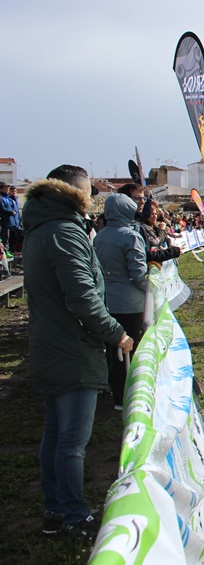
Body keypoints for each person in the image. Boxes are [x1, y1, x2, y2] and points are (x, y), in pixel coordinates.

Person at [23, 165, 134, 538]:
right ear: (74, 193)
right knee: (71, 441)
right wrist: (116, 333)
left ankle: (56, 510)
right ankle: (72, 515)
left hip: (52, 345)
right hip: (71, 349)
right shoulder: (65, 232)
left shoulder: (41, 228)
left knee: (55, 434)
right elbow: (83, 297)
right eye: (89, 193)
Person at [93, 193, 149, 409]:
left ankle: (115, 391)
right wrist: (153, 288)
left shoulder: (100, 235)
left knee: (112, 350)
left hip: (107, 300)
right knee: (129, 349)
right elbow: (138, 273)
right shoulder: (130, 236)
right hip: (129, 303)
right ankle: (127, 395)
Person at [1, 181, 21, 254]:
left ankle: (10, 250)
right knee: (5, 238)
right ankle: (5, 251)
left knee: (12, 238)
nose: (7, 191)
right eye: (6, 189)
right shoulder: (2, 198)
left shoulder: (10, 199)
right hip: (5, 222)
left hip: (12, 222)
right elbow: (2, 208)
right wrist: (11, 212)